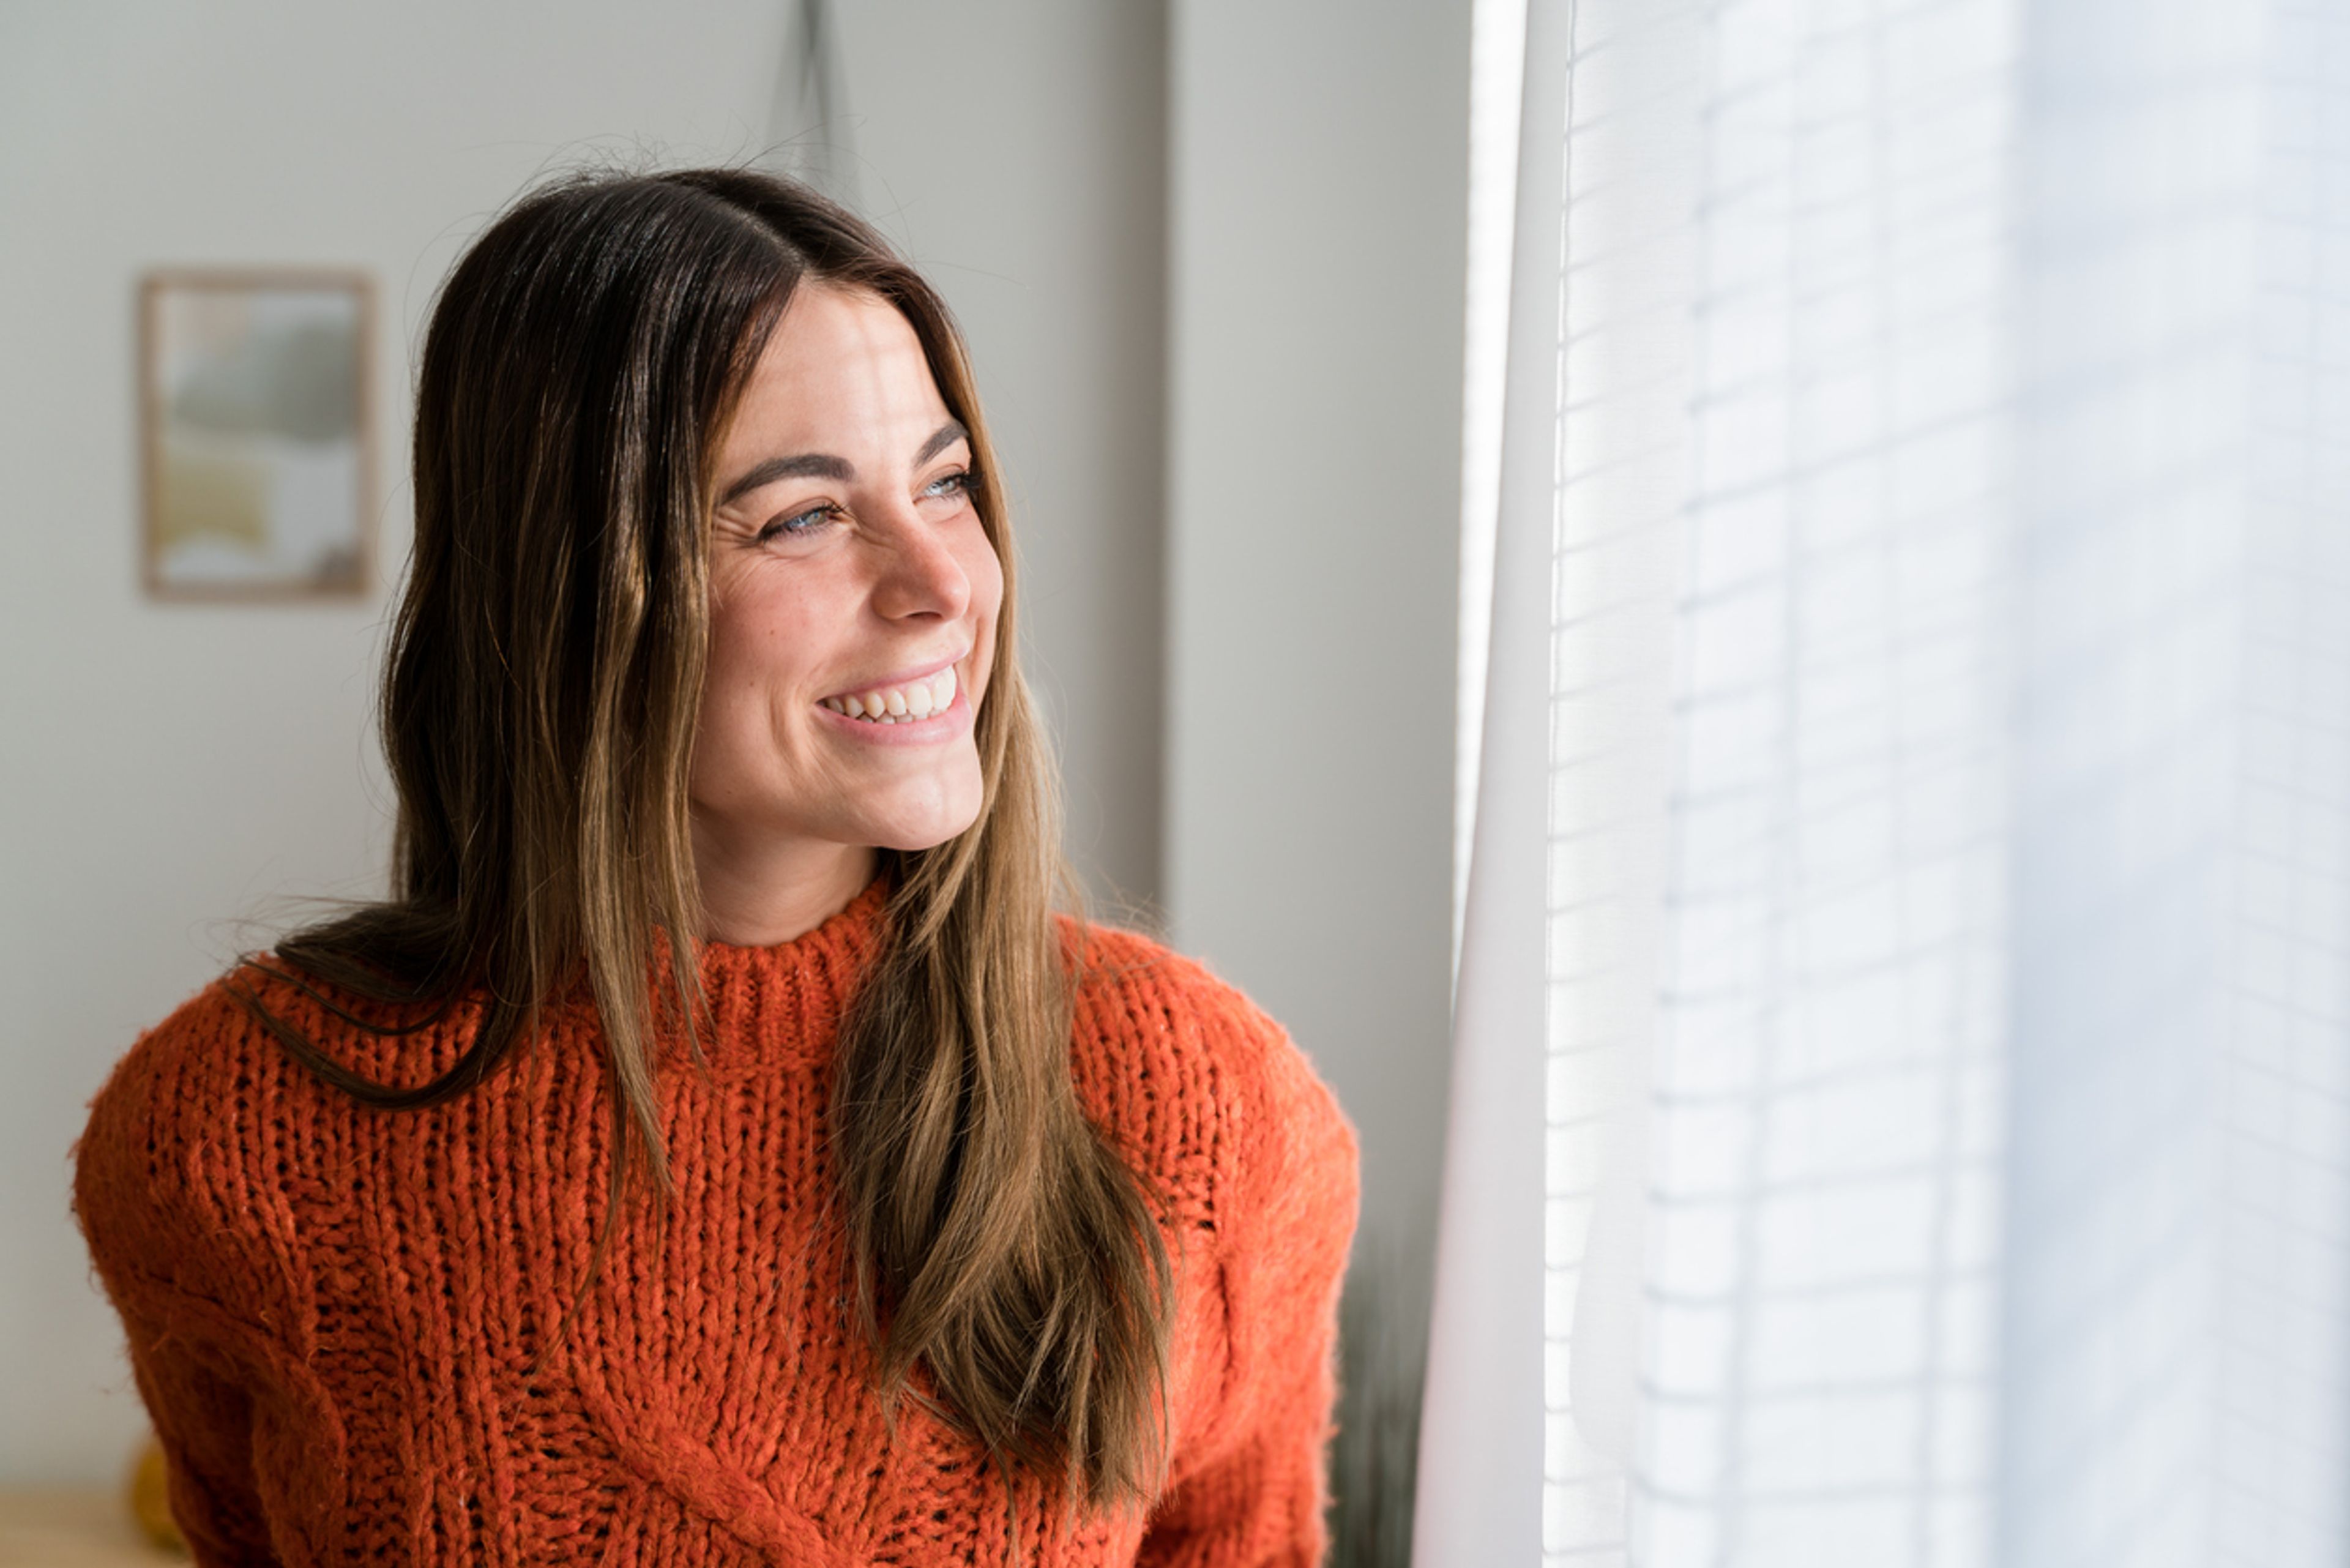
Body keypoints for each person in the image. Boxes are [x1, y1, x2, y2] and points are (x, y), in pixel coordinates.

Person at [72, 168, 1357, 1567]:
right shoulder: (235, 1140)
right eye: (803, 515)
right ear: (572, 591)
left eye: (946, 481)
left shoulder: (1197, 1105)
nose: (944, 583)